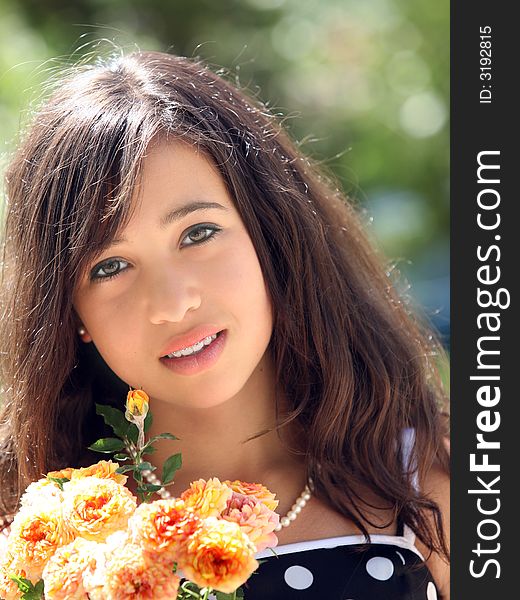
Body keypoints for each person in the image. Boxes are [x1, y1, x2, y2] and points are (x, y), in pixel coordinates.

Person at [0, 50, 450, 599]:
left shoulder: (429, 485)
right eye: (110, 266)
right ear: (70, 313)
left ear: (270, 234)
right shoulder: (37, 544)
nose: (171, 302)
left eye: (197, 233)